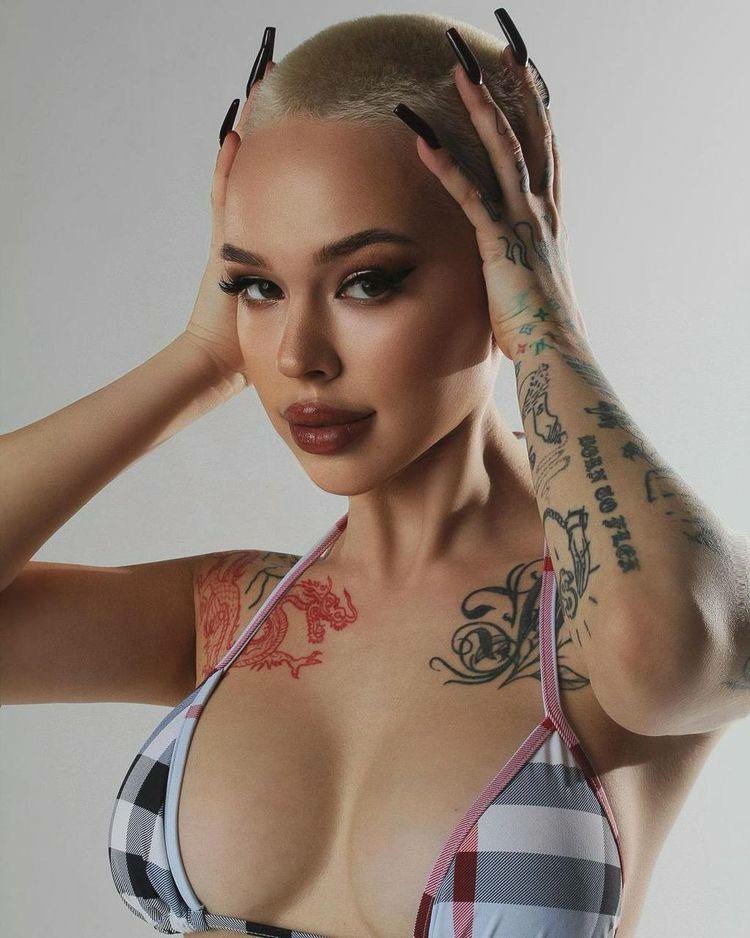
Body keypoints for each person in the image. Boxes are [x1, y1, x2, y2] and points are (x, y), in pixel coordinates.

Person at [1, 10, 747, 938]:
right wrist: (202, 356)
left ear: (503, 263)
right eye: (259, 286)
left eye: (367, 281)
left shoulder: (624, 617)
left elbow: (669, 653)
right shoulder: (235, 618)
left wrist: (545, 329)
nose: (298, 355)